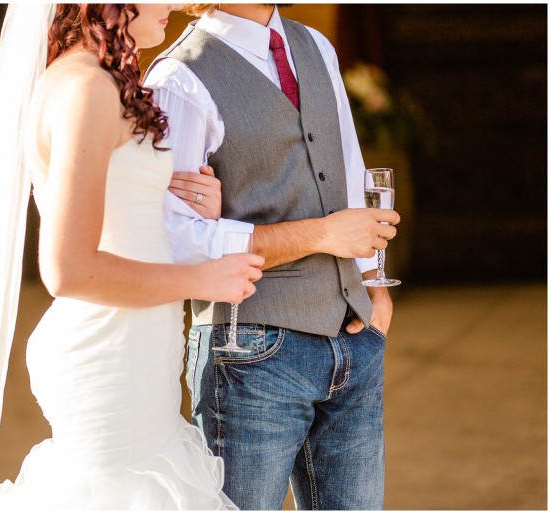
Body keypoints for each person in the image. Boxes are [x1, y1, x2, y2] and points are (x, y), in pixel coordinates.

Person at [0, 4, 264, 510]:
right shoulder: (85, 90)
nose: (177, 4)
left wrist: (189, 206)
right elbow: (68, 269)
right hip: (110, 356)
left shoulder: (92, 81)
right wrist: (199, 278)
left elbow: (121, 221)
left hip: (134, 355)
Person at [144, 4, 401, 510]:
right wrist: (321, 234)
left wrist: (374, 292)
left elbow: (350, 173)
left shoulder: (316, 47)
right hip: (249, 352)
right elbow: (174, 239)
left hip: (353, 341)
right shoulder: (179, 79)